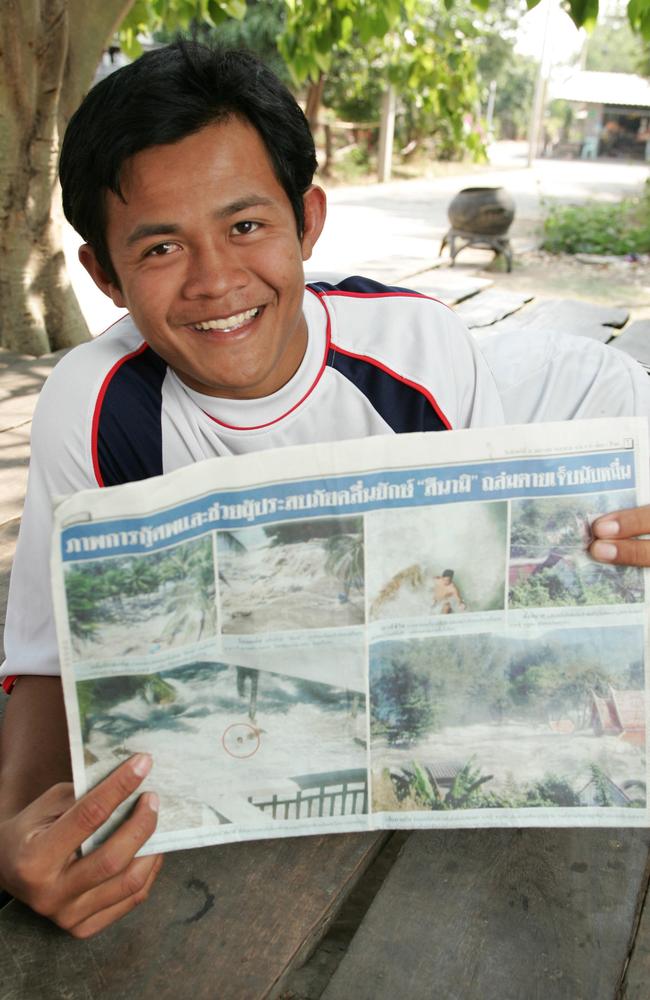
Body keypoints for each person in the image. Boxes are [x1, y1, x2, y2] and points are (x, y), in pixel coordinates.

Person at [1, 40, 650, 938]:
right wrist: (22, 833)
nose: (216, 281)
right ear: (105, 274)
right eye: (159, 247)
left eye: (246, 226)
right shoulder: (91, 403)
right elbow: (43, 655)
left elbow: (481, 592)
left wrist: (612, 573)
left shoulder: (419, 357)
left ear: (307, 221)